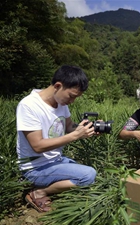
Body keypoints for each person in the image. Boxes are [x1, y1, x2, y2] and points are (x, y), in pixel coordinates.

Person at [16, 65, 97, 213]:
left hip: (55, 160)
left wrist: (86, 129)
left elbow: (69, 127)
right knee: (88, 175)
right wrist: (75, 135)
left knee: (87, 171)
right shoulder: (29, 106)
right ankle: (38, 192)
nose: (72, 101)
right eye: (71, 96)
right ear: (58, 86)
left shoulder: (60, 102)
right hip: (35, 168)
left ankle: (45, 185)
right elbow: (38, 146)